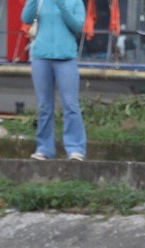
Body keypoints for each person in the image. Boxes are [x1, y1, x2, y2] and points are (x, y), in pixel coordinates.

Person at [21, 0, 86, 161]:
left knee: (71, 105)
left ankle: (75, 148)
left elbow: (77, 26)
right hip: (41, 57)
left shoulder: (75, 2)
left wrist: (62, 5)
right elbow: (26, 19)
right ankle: (44, 148)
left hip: (66, 58)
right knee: (44, 106)